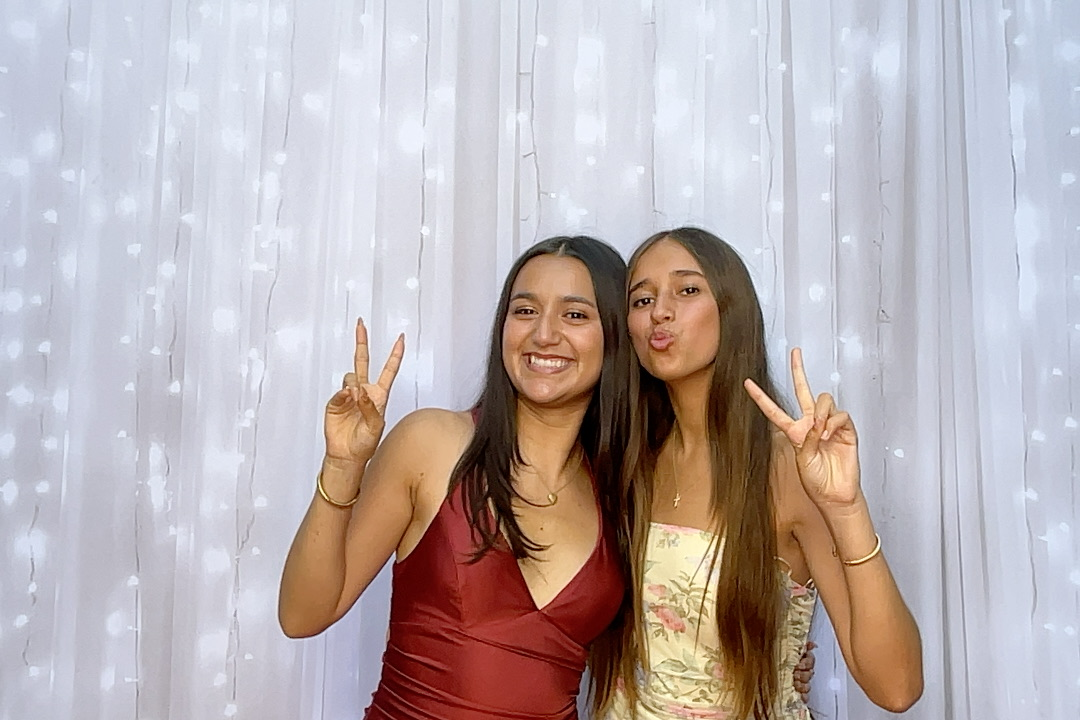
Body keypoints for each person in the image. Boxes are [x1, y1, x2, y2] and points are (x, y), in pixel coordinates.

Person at [278, 236, 634, 720]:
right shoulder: (432, 443)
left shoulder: (622, 490)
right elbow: (301, 616)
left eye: (574, 315)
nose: (544, 334)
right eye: (525, 311)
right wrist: (343, 466)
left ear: (615, 335)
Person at [604, 227, 923, 719]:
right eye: (642, 299)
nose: (659, 312)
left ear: (732, 309)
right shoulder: (627, 459)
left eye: (687, 290)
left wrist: (846, 508)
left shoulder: (788, 467)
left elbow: (896, 688)